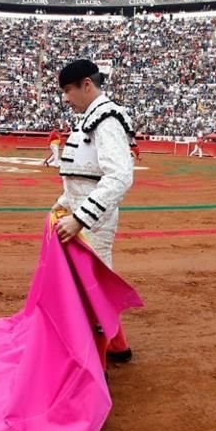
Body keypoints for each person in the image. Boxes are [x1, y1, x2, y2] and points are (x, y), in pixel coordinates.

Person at [52, 59, 136, 364]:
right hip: (84, 218)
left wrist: (79, 218)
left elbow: (119, 177)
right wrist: (63, 204)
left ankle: (95, 369)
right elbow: (84, 174)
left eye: (68, 90)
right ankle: (118, 347)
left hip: (93, 224)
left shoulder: (107, 120)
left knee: (91, 291)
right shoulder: (94, 117)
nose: (65, 97)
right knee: (93, 285)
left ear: (87, 84)